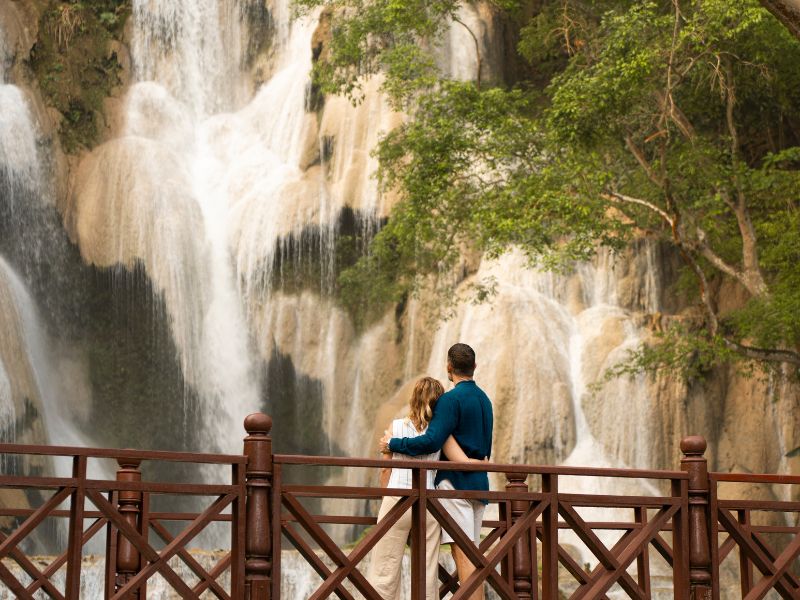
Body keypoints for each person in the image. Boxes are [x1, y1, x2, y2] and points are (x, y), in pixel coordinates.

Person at [380, 343, 493, 600]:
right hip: (479, 484)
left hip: (454, 485)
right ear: (474, 367)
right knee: (472, 551)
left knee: (462, 553)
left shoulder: (449, 400)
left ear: (448, 367)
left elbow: (431, 441)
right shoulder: (485, 400)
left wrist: (393, 443)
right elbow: (485, 449)